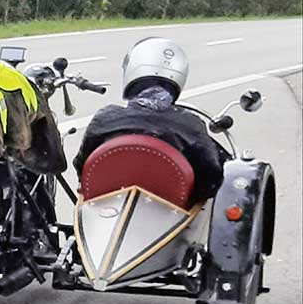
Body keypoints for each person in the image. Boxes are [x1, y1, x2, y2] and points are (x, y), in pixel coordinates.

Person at [73, 36, 226, 205]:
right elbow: (212, 178)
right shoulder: (191, 123)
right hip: (171, 213)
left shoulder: (105, 117)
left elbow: (82, 166)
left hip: (109, 209)